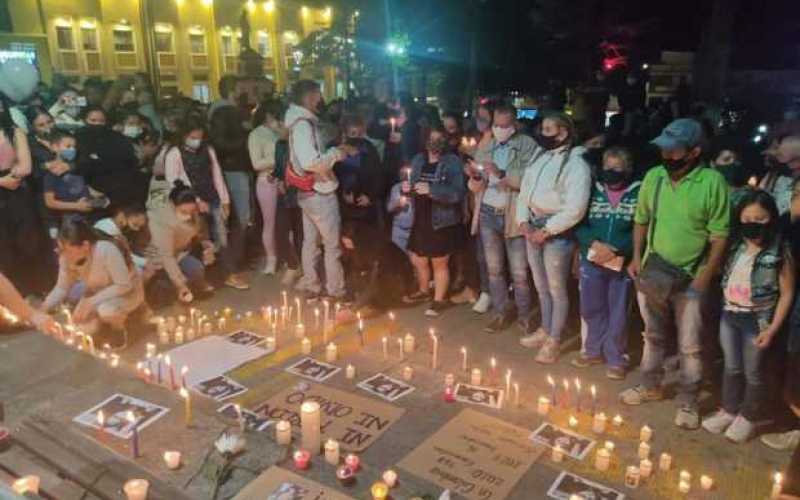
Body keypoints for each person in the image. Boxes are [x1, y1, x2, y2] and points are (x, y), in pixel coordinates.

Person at [620, 118, 730, 430]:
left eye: (675, 150)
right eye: (664, 150)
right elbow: (641, 220)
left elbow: (719, 236)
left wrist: (703, 278)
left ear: (695, 151)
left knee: (690, 346)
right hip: (655, 272)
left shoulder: (712, 183)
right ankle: (650, 385)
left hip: (691, 279)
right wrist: (638, 257)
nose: (667, 156)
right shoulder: (654, 177)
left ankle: (688, 401)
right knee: (652, 335)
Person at [701, 190, 795, 442]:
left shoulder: (778, 251)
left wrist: (772, 328)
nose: (753, 224)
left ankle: (749, 417)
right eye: (748, 218)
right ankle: (729, 410)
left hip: (757, 321)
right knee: (732, 367)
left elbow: (787, 292)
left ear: (771, 219)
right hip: (730, 314)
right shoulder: (735, 245)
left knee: (754, 372)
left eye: (760, 219)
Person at [517, 112, 592, 363]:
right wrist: (523, 221)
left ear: (563, 133)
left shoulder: (576, 165)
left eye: (549, 129)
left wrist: (547, 231)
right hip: (533, 226)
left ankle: (554, 339)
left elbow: (576, 208)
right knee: (541, 286)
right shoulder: (541, 156)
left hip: (556, 232)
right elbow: (525, 190)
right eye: (542, 128)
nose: (542, 133)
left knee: (557, 288)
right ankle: (545, 329)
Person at [466, 103, 536, 333]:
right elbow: (476, 178)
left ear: (514, 125)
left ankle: (525, 315)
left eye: (505, 126)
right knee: (494, 269)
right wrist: (475, 176)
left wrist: (502, 173)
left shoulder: (527, 145)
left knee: (519, 272)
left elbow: (530, 179)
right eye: (496, 125)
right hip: (488, 212)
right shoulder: (488, 144)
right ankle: (500, 312)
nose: (500, 129)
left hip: (512, 214)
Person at [573, 147, 640, 379]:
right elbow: (579, 222)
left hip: (621, 262)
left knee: (618, 311)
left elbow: (641, 229)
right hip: (592, 258)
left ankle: (616, 357)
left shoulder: (638, 193)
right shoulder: (592, 191)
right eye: (607, 168)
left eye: (617, 169)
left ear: (627, 170)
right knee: (591, 308)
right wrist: (593, 243)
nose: (610, 173)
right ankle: (592, 351)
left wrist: (618, 250)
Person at [284, 80, 353, 302]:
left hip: (307, 191)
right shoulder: (303, 124)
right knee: (331, 245)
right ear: (309, 97)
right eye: (318, 95)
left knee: (310, 242)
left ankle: (312, 286)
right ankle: (335, 290)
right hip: (319, 191)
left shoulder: (297, 122)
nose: (321, 99)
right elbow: (310, 162)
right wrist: (336, 153)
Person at [165, 116, 248, 290]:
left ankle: (229, 274)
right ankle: (203, 279)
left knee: (222, 237)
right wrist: (195, 201)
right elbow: (173, 183)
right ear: (184, 135)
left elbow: (216, 174)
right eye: (193, 137)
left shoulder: (208, 149)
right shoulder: (175, 154)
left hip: (213, 199)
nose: (197, 141)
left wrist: (225, 200)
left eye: (200, 137)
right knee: (199, 240)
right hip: (190, 205)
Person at [41, 217, 144, 349]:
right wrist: (43, 308)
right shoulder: (65, 258)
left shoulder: (106, 250)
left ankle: (120, 328)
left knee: (106, 310)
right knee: (81, 327)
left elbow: (124, 285)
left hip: (126, 292)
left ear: (85, 246)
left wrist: (90, 302)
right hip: (96, 293)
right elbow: (62, 287)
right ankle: (103, 325)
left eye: (66, 249)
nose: (62, 253)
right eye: (60, 248)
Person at [402, 126, 466, 316]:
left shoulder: (452, 162)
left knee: (439, 262)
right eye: (432, 138)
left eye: (440, 139)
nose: (436, 143)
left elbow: (457, 193)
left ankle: (439, 300)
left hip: (442, 219)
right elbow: (412, 185)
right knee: (418, 258)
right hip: (421, 216)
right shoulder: (419, 159)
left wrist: (432, 190)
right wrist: (407, 188)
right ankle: (424, 290)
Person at [146, 181, 216, 305]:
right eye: (184, 212)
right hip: (159, 259)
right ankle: (173, 288)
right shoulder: (161, 221)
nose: (189, 216)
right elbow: (166, 256)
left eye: (192, 211)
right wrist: (180, 285)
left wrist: (207, 245)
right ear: (173, 205)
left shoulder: (193, 210)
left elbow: (200, 230)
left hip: (180, 254)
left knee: (196, 268)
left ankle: (193, 288)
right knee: (167, 290)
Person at [210, 106, 252, 278]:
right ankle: (232, 261)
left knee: (224, 222)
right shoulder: (239, 137)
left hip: (226, 174)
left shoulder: (214, 136)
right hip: (235, 173)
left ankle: (228, 261)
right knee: (239, 219)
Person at [74, 106, 142, 206]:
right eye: (93, 120)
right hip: (88, 193)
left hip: (118, 192)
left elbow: (129, 163)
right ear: (85, 120)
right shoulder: (77, 139)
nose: (97, 124)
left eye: (101, 121)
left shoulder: (118, 138)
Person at [43, 130, 108, 234]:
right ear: (54, 147)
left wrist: (97, 198)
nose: (72, 150)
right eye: (68, 146)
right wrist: (77, 206)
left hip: (86, 219)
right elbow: (50, 202)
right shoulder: (52, 173)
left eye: (74, 147)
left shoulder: (77, 170)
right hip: (68, 222)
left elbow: (83, 188)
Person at [248, 98, 285, 275]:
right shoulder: (256, 134)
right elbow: (256, 163)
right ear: (269, 115)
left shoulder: (281, 132)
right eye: (278, 116)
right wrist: (278, 159)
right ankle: (272, 259)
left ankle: (289, 257)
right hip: (266, 180)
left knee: (288, 222)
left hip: (285, 180)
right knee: (269, 222)